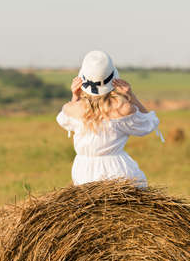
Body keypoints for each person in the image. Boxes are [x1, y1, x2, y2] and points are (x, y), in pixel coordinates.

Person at [56, 50, 164, 187]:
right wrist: (131, 96)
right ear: (113, 80)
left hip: (83, 173)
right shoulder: (123, 108)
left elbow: (65, 122)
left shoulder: (71, 109)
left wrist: (75, 97)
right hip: (117, 171)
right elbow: (149, 124)